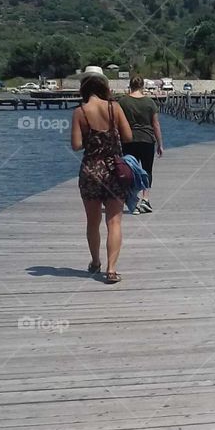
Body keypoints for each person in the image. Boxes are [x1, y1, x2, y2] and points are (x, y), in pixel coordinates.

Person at [71, 72, 133, 284]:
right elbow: (128, 136)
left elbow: (76, 145)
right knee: (114, 221)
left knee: (93, 221)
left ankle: (95, 262)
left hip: (90, 170)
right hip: (113, 169)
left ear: (84, 88)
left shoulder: (80, 112)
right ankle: (112, 269)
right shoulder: (114, 108)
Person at [118, 75, 163, 213]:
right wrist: (160, 143)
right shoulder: (150, 103)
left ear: (130, 86)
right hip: (147, 139)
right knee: (147, 170)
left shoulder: (123, 101)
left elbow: (117, 122)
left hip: (128, 140)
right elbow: (155, 124)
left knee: (130, 171)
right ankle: (146, 199)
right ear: (142, 86)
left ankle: (134, 200)